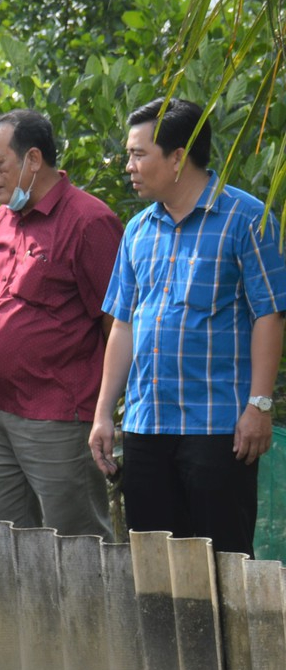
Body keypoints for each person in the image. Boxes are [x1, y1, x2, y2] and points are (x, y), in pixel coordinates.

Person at [90, 98, 286, 557]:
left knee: (223, 563)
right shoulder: (138, 230)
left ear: (178, 156)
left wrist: (259, 404)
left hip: (218, 428)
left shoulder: (246, 220)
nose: (129, 166)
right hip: (147, 425)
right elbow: (123, 323)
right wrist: (104, 413)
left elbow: (270, 314)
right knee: (156, 566)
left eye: (139, 154)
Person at [0, 109, 123, 539]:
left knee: (77, 544)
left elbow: (119, 326)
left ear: (33, 159)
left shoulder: (89, 222)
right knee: (4, 540)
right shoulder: (3, 218)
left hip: (57, 415)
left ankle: (92, 611)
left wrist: (107, 411)